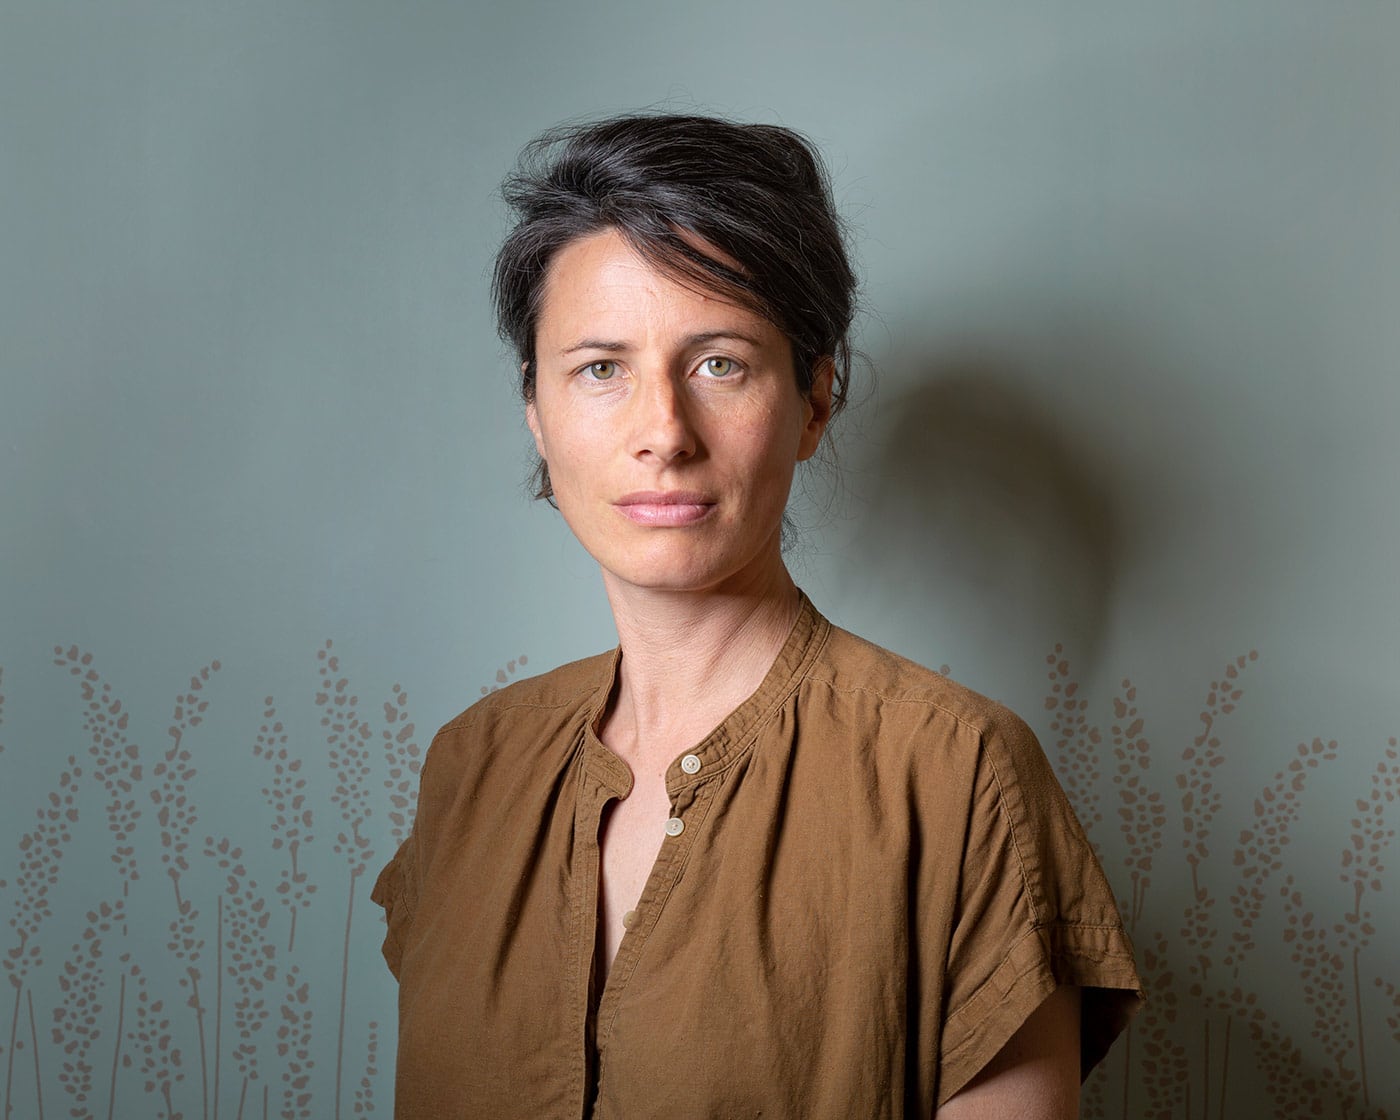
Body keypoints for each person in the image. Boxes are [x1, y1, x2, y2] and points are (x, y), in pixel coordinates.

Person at [371, 112, 1142, 1118]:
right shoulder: (469, 769)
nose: (662, 433)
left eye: (719, 363)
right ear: (535, 407)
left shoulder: (958, 774)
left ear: (814, 398)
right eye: (600, 368)